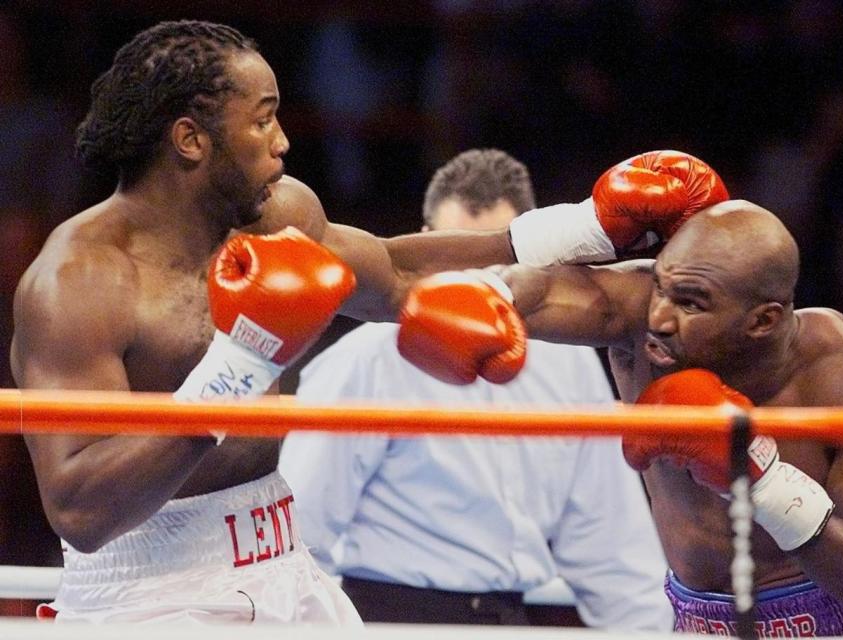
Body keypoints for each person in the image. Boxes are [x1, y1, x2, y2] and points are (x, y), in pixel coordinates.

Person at [9, 20, 529, 625]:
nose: (282, 141)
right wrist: (238, 366)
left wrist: (571, 233)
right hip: (149, 597)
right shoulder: (79, 283)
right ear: (190, 139)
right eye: (262, 120)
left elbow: (392, 270)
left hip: (282, 561)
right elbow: (79, 510)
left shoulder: (274, 217)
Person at [396, 197, 843, 635]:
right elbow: (524, 289)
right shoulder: (642, 324)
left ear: (763, 320)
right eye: (659, 286)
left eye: (690, 303)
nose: (658, 317)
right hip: (697, 622)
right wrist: (490, 290)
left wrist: (764, 483)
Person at [279, 148, 673, 630]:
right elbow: (303, 530)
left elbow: (610, 542)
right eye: (456, 261)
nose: (477, 287)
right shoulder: (366, 361)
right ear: (425, 249)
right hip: (394, 615)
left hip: (515, 617)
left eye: (495, 267)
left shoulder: (568, 364)